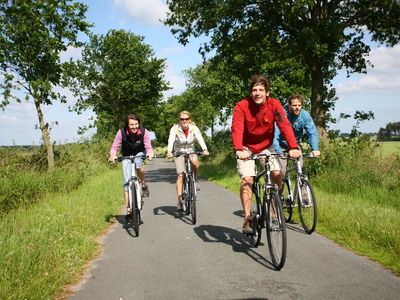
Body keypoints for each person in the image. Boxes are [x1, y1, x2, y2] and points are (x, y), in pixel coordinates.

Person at [231, 75, 301, 234]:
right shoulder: (242, 106)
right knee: (247, 179)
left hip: (266, 146)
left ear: (267, 92)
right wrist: (238, 149)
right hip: (246, 147)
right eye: (254, 90)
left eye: (261, 90)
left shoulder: (274, 105)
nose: (257, 93)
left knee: (277, 173)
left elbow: (284, 125)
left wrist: (293, 146)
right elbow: (236, 128)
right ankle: (247, 218)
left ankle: (272, 203)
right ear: (250, 93)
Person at [108, 114, 154, 215]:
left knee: (138, 164)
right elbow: (115, 147)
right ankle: (128, 208)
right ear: (127, 125)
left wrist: (150, 153)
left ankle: (143, 183)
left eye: (136, 124)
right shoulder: (121, 132)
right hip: (126, 155)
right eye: (132, 125)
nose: (134, 127)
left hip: (139, 152)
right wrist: (113, 155)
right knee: (126, 182)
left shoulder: (143, 131)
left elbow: (148, 146)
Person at [273, 93, 320, 186]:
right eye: (294, 105)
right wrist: (278, 150)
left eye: (299, 105)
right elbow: (275, 134)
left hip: (294, 145)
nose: (297, 108)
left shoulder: (305, 115)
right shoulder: (282, 113)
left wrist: (315, 148)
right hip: (280, 145)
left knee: (300, 169)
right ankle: (277, 196)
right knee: (281, 172)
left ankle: (304, 197)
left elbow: (312, 132)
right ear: (289, 105)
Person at [167, 111, 209, 211]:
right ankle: (179, 201)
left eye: (186, 119)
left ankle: (196, 178)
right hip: (179, 152)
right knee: (180, 175)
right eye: (182, 119)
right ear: (179, 120)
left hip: (190, 150)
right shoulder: (175, 128)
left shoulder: (194, 128)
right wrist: (169, 151)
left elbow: (200, 138)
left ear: (189, 119)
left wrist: (205, 149)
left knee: (194, 161)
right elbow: (171, 140)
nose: (184, 121)